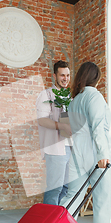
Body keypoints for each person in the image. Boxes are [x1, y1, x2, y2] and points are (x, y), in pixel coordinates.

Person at [60, 61, 111, 223]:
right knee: (103, 197)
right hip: (95, 153)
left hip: (77, 154)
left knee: (72, 196)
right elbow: (98, 127)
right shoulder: (94, 96)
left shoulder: (74, 100)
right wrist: (103, 155)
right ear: (96, 78)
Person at [36, 60, 72, 207]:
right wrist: (61, 125)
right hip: (55, 148)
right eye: (62, 75)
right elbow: (42, 120)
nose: (65, 78)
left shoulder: (70, 96)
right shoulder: (46, 95)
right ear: (54, 76)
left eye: (68, 75)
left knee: (67, 188)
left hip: (70, 147)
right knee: (54, 188)